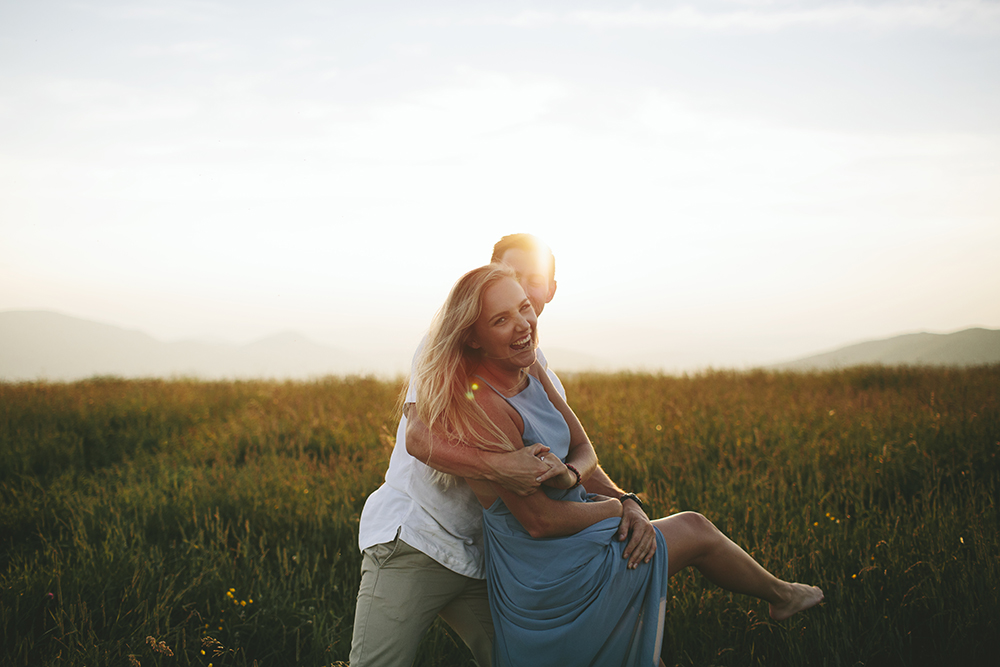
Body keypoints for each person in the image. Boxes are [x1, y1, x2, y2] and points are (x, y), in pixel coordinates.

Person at [410, 263, 824, 667]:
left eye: (524, 307)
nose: (523, 323)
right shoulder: (484, 403)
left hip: (577, 541)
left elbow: (584, 447)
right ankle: (783, 597)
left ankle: (782, 596)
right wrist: (618, 507)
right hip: (552, 576)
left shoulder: (530, 366)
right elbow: (540, 522)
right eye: (501, 319)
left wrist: (574, 475)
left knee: (636, 640)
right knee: (694, 529)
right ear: (475, 339)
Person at [351, 234, 656, 667]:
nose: (525, 292)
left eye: (534, 282)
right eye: (513, 277)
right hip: (418, 540)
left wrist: (626, 502)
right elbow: (419, 438)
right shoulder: (447, 347)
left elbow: (575, 461)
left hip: (491, 559)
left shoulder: (535, 365)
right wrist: (498, 466)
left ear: (549, 290)